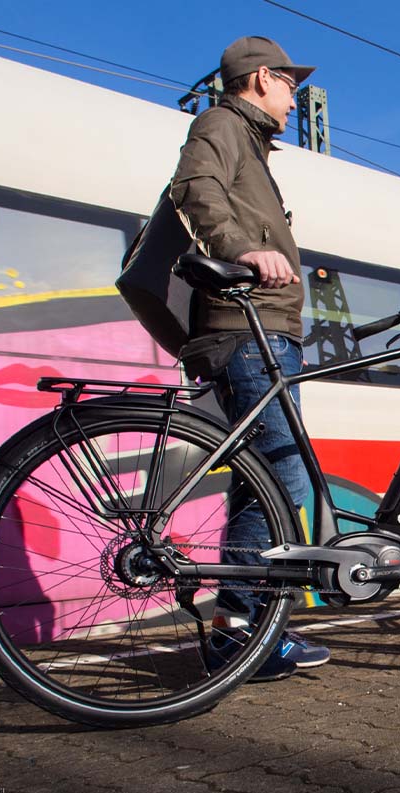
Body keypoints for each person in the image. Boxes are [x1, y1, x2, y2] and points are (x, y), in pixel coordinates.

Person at [170, 35, 329, 680]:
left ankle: (242, 630)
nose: (295, 98)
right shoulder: (221, 124)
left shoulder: (253, 145)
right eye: (290, 84)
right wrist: (241, 249)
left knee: (259, 480)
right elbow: (193, 187)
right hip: (247, 326)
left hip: (264, 329)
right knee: (284, 477)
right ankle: (243, 629)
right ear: (263, 78)